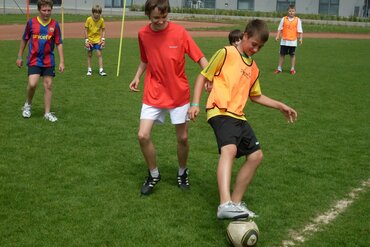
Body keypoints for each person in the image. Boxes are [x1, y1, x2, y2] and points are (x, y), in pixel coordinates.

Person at [188, 19, 298, 220]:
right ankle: (224, 204)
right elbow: (203, 76)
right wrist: (194, 104)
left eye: (260, 47)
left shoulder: (253, 68)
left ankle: (236, 203)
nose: (256, 49)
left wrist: (280, 105)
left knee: (256, 156)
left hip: (238, 115)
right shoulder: (226, 52)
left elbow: (255, 96)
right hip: (219, 110)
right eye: (253, 44)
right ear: (245, 36)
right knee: (228, 150)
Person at [129, 0, 208, 195]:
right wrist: (137, 77)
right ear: (148, 15)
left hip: (178, 94)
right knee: (142, 135)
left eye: (164, 17)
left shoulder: (180, 32)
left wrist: (210, 77)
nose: (160, 21)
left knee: (182, 138)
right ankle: (154, 174)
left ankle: (182, 172)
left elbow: (200, 57)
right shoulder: (143, 34)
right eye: (156, 17)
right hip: (153, 92)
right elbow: (145, 59)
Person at [16, 0, 64, 122]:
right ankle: (27, 105)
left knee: (48, 85)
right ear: (39, 10)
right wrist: (20, 56)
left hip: (48, 61)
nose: (47, 13)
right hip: (34, 59)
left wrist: (62, 61)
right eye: (44, 10)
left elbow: (59, 43)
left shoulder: (55, 25)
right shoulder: (31, 23)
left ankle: (47, 113)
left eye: (49, 10)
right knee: (32, 84)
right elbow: (24, 39)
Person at [274, 4, 303, 75]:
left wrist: (301, 38)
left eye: (293, 11)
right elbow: (279, 29)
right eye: (290, 11)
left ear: (295, 12)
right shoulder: (283, 19)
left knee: (292, 55)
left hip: (293, 42)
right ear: (287, 11)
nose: (291, 12)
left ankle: (292, 69)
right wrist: (277, 36)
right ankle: (279, 68)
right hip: (284, 41)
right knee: (282, 55)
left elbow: (300, 30)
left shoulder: (297, 20)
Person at [84, 5, 107, 76]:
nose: (97, 14)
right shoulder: (88, 19)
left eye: (99, 13)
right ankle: (89, 70)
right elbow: (85, 30)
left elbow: (103, 30)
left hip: (97, 40)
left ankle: (101, 70)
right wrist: (86, 40)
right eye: (95, 12)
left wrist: (103, 39)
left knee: (99, 54)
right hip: (90, 40)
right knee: (89, 54)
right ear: (93, 12)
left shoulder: (101, 20)